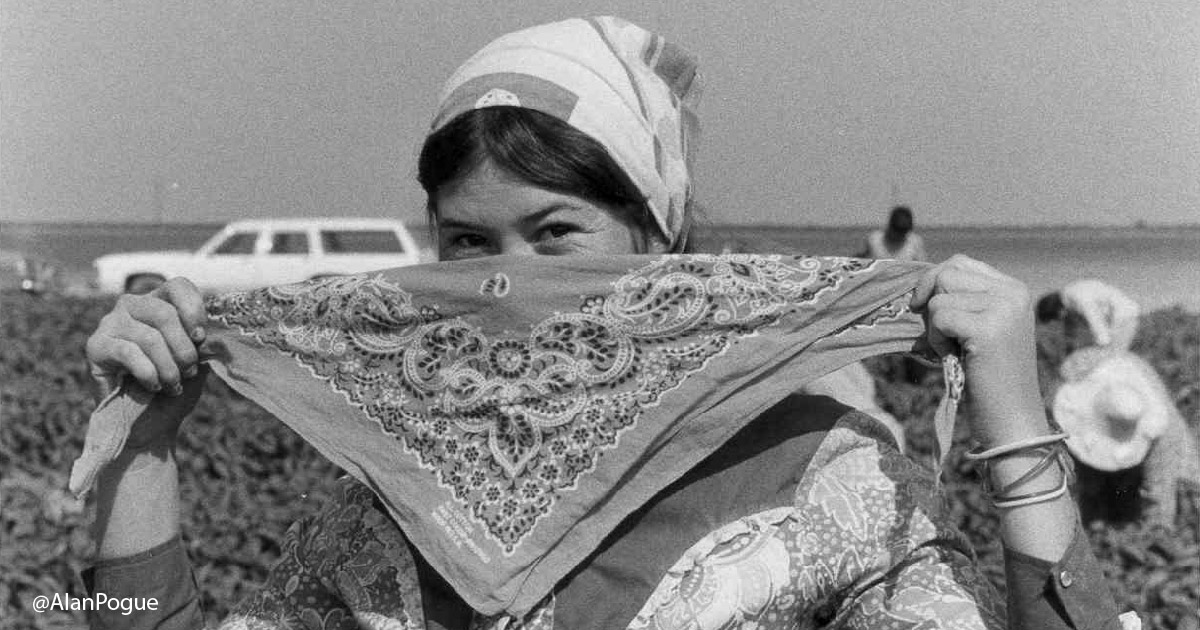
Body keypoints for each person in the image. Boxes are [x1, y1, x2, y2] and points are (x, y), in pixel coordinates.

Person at [81, 17, 1135, 630]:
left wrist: (1015, 422)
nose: (509, 287)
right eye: (467, 246)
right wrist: (145, 450)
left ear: (657, 237)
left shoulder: (823, 481)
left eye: (556, 235)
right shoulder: (396, 504)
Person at [1036, 279, 1140, 351]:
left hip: (1123, 316)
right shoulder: (1070, 294)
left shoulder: (1077, 298)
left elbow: (1094, 318)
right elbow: (1072, 329)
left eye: (1056, 318)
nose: (1060, 319)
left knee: (1113, 360)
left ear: (1056, 310)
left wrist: (1103, 342)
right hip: (1119, 316)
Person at [862, 204, 927, 261]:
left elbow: (923, 268)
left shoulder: (915, 242)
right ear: (890, 226)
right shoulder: (874, 240)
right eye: (897, 232)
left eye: (903, 233)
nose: (899, 236)